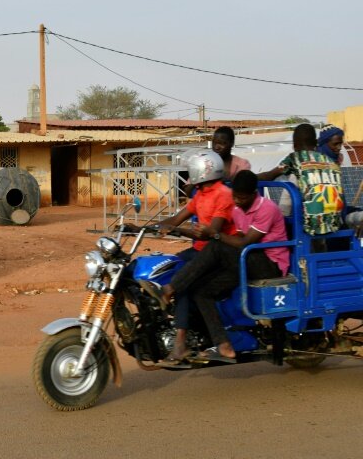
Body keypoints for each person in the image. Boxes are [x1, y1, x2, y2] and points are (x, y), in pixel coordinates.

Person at [152, 170, 290, 364]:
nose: (237, 201)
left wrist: (214, 235)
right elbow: (240, 240)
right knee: (201, 291)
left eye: (241, 198)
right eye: (235, 196)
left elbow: (246, 242)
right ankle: (223, 343)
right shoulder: (237, 208)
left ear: (253, 194)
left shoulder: (267, 208)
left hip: (269, 263)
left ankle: (171, 288)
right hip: (247, 259)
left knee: (216, 245)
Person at [128, 150, 237, 365]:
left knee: (184, 283)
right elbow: (177, 218)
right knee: (170, 268)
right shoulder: (201, 194)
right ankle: (165, 319)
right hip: (199, 251)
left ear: (200, 171)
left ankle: (180, 342)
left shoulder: (222, 194)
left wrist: (179, 231)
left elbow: (211, 231)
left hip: (220, 254)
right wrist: (143, 227)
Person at [259, 123, 344, 237]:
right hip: (335, 225)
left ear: (294, 146)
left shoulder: (296, 158)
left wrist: (246, 177)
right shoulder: (331, 162)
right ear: (315, 143)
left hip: (310, 228)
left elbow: (270, 175)